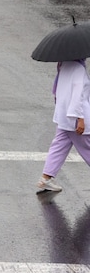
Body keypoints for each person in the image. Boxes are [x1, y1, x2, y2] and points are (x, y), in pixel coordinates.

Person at [37, 59, 90, 193]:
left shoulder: (63, 65)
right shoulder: (78, 69)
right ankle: (46, 178)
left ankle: (46, 178)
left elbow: (59, 91)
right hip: (76, 118)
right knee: (87, 148)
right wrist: (80, 118)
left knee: (59, 147)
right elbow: (77, 95)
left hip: (64, 117)